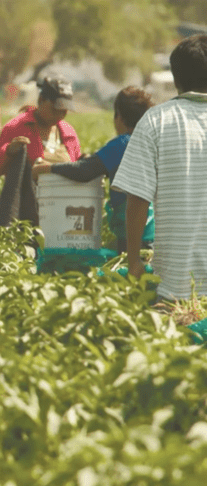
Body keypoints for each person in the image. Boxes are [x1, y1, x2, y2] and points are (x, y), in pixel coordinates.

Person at [112, 35, 207, 301]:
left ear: (176, 79)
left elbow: (138, 199)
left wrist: (133, 261)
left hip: (176, 290)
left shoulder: (157, 121)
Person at [32, 86, 155, 252]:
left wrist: (48, 168)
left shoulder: (123, 144)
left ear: (118, 115)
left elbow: (85, 171)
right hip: (155, 237)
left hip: (133, 239)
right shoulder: (152, 143)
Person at [0, 74, 81, 177]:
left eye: (64, 111)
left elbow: (77, 170)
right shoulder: (17, 127)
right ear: (41, 100)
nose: (59, 115)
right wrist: (8, 151)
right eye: (54, 110)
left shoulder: (68, 132)